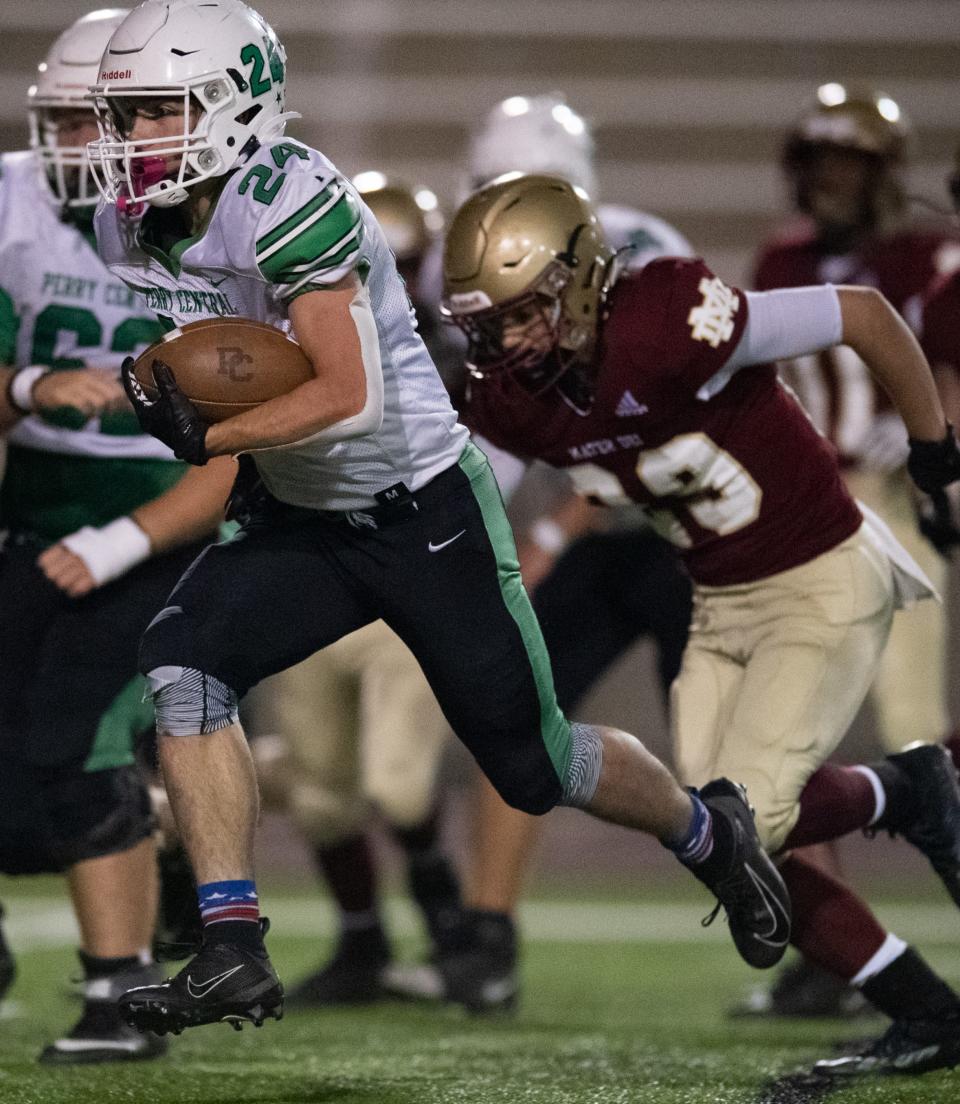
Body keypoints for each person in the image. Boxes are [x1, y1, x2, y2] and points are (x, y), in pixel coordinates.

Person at [86, 0, 790, 1037]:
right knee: (182, 660)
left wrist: (207, 437)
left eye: (156, 111)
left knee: (534, 764)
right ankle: (233, 945)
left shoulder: (290, 195)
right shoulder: (130, 221)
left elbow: (345, 392)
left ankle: (706, 830)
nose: (135, 138)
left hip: (421, 509)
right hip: (303, 515)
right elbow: (222, 362)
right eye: (128, 114)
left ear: (231, 106)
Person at [441, 171, 960, 1078]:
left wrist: (934, 454)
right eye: (490, 328)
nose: (510, 344)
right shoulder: (511, 397)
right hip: (717, 602)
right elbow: (454, 487)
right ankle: (926, 1002)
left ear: (583, 278)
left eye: (525, 314)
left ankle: (905, 795)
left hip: (820, 575)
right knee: (710, 839)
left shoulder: (668, 315)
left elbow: (868, 315)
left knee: (742, 821)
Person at [386, 94, 697, 1011]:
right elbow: (499, 436)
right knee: (516, 713)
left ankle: (812, 930)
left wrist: (554, 529)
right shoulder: (481, 270)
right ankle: (488, 940)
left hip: (685, 530)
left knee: (736, 748)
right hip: (595, 533)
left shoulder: (650, 257)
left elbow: (666, 427)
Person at [0, 8, 236, 1063]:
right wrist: (27, 383)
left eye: (110, 120)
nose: (80, 145)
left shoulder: (221, 217)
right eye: (68, 119)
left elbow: (240, 447)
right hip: (35, 515)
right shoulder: (11, 202)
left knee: (82, 743)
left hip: (175, 523)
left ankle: (121, 994)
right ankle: (167, 843)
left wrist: (123, 539)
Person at [743, 82, 960, 1019]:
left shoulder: (922, 255)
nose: (832, 180)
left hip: (893, 500)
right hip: (807, 507)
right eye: (820, 163)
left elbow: (948, 367)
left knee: (914, 723)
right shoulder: (782, 257)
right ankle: (830, 951)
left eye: (851, 164)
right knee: (792, 734)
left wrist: (928, 436)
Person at [246, 175, 466, 1008]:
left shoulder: (439, 355)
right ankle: (363, 947)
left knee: (400, 786)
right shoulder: (281, 338)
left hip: (402, 583)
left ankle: (457, 940)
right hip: (306, 571)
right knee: (323, 796)